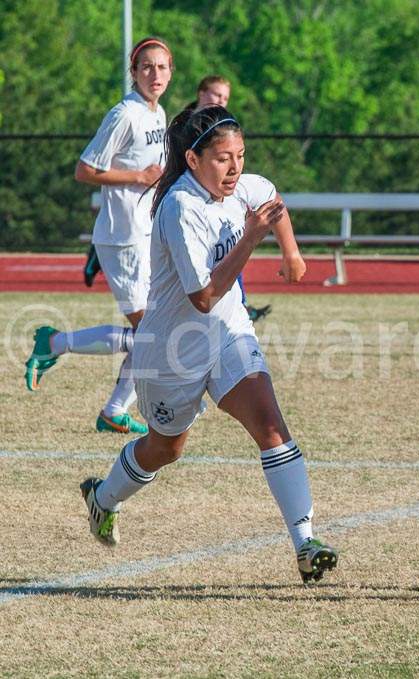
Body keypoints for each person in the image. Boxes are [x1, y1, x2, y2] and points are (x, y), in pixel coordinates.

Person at [78, 105, 337, 583]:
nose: (235, 167)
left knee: (272, 428)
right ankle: (104, 498)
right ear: (194, 161)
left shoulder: (244, 187)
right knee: (165, 448)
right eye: (222, 158)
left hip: (229, 334)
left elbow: (273, 198)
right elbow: (203, 296)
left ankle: (305, 543)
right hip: (172, 350)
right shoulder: (180, 207)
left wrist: (291, 251)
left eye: (239, 155)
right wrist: (252, 239)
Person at [24, 37, 172, 434]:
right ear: (134, 71)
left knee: (155, 334)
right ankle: (54, 344)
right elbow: (85, 169)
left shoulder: (158, 114)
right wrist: (138, 177)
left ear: (170, 71)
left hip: (144, 234)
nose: (154, 74)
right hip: (122, 239)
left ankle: (113, 411)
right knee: (154, 335)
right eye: (146, 67)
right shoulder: (124, 114)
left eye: (161, 67)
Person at [191, 75, 285, 322]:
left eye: (225, 97)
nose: (221, 101)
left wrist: (291, 252)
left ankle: (239, 304)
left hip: (219, 206)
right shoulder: (185, 127)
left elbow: (271, 196)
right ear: (201, 94)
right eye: (216, 95)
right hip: (194, 213)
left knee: (230, 247)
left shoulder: (227, 126)